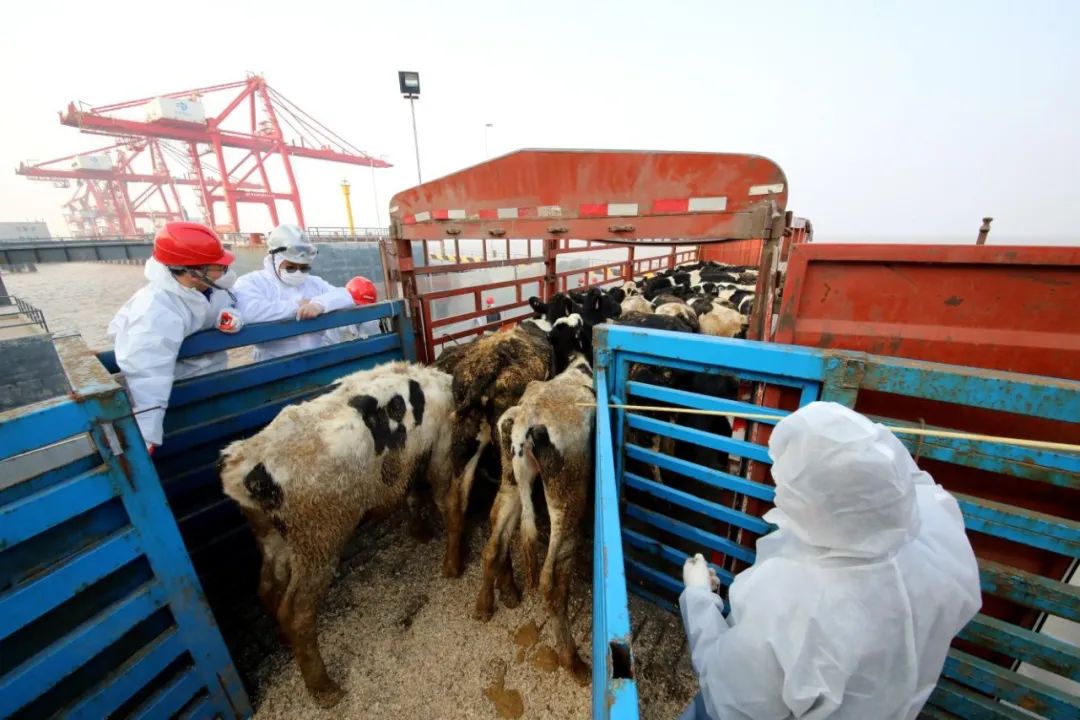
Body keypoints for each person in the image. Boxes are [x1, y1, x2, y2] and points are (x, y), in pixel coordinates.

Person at [678, 402, 981, 720]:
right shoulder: (940, 526)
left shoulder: (794, 602)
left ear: (810, 501)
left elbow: (729, 697)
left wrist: (699, 598)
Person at [108, 222, 243, 453]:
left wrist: (232, 316)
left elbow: (231, 303)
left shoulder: (209, 288)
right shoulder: (155, 308)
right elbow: (145, 371)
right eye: (218, 266)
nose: (225, 270)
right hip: (177, 394)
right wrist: (146, 435)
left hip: (211, 384)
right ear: (193, 272)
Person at [233, 224, 353, 362]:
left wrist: (319, 304)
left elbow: (345, 295)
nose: (298, 272)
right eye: (290, 267)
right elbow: (249, 312)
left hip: (316, 358)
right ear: (274, 259)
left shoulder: (313, 282)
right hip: (273, 362)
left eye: (304, 268)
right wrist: (297, 306)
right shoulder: (252, 282)